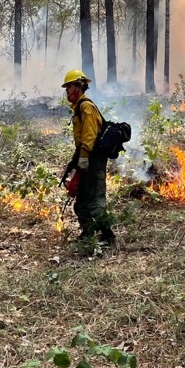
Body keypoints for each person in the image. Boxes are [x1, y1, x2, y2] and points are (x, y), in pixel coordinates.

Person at [61, 69, 115, 244]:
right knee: (82, 201)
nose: (67, 92)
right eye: (66, 88)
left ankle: (107, 235)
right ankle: (88, 233)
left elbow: (89, 137)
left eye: (69, 87)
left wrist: (83, 159)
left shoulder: (86, 107)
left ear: (78, 87)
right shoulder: (79, 108)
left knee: (94, 200)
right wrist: (74, 161)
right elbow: (81, 140)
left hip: (94, 159)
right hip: (86, 159)